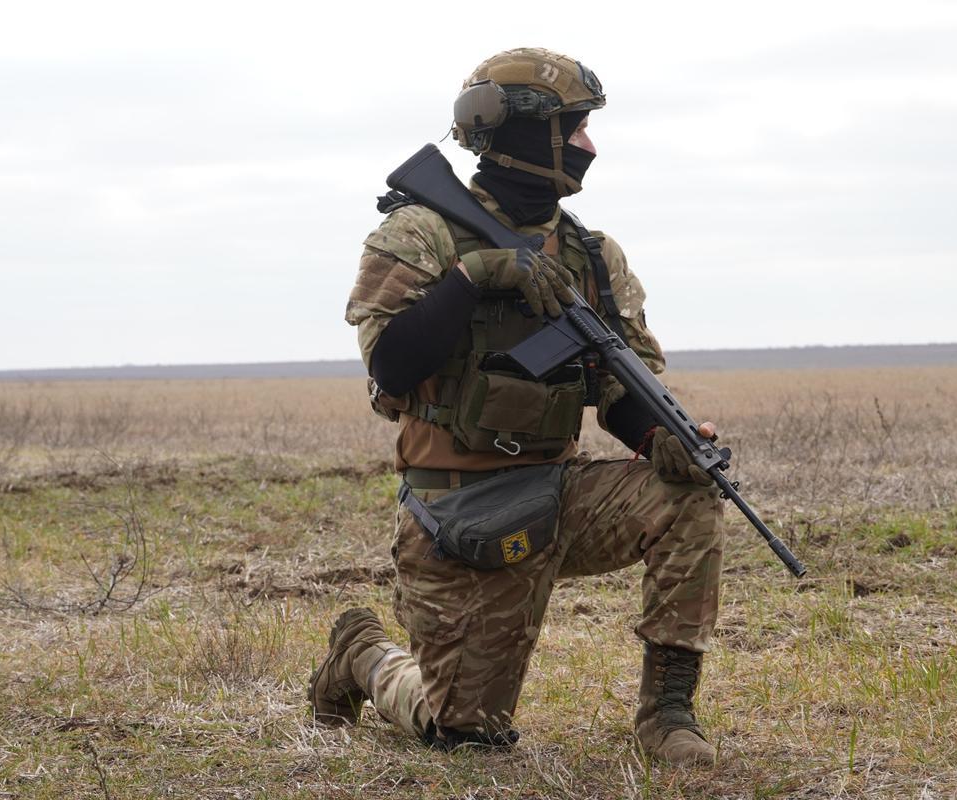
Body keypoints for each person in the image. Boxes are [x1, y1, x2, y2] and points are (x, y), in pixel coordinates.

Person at [310, 47, 724, 767]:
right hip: (458, 514)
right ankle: (364, 655)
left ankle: (668, 711)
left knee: (688, 491)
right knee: (463, 733)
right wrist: (474, 277)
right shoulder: (422, 233)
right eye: (572, 128)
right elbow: (392, 366)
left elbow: (621, 393)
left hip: (556, 495)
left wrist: (664, 436)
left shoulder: (591, 258)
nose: (587, 146)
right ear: (515, 132)